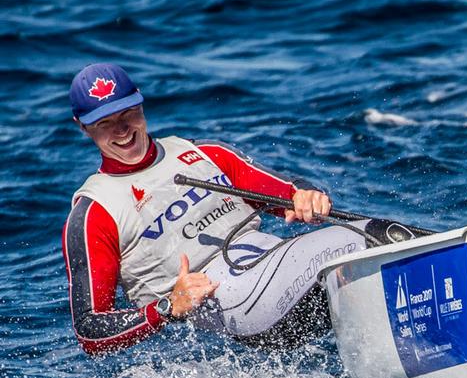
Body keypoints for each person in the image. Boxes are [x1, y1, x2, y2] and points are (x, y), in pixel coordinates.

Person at [63, 63, 408, 355]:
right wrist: (167, 307)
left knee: (381, 248)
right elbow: (90, 330)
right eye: (104, 123)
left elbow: (290, 190)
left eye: (128, 113)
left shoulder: (205, 155)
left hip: (285, 277)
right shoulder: (94, 212)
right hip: (245, 310)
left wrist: (308, 196)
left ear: (141, 102)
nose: (122, 130)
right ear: (82, 127)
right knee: (378, 238)